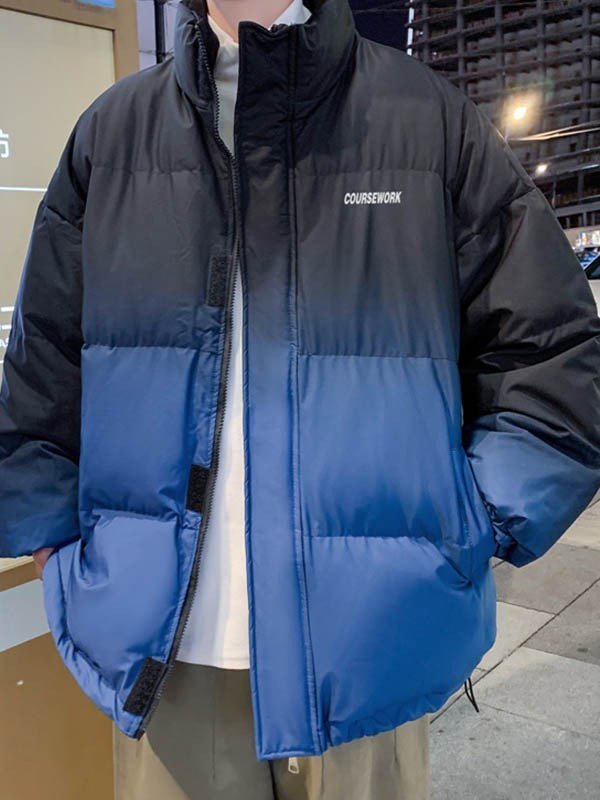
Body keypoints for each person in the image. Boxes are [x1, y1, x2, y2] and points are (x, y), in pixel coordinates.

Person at [1, 0, 598, 798]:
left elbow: (552, 353)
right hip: (165, 657)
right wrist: (57, 546)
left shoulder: (426, 121)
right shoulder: (111, 136)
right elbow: (42, 373)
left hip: (373, 645)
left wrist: (473, 524)